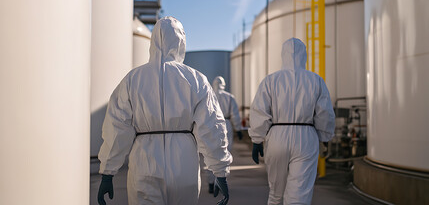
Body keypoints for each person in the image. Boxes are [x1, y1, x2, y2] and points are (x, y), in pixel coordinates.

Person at [97, 17, 232, 205]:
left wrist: (107, 171)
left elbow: (117, 127)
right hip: (184, 168)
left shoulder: (132, 80)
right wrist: (220, 171)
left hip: (145, 166)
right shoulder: (196, 80)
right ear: (181, 42)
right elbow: (212, 128)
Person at [249, 38, 335, 205]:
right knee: (299, 195)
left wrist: (257, 139)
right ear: (305, 55)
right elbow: (325, 113)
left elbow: (259, 111)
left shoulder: (270, 81)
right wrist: (324, 137)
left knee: (275, 193)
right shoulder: (316, 80)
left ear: (283, 55)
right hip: (306, 137)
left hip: (277, 136)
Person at [205, 76, 242, 193]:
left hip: (211, 125)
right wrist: (238, 129)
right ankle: (221, 181)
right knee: (225, 154)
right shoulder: (229, 97)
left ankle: (211, 183)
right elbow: (235, 114)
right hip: (226, 124)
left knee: (210, 153)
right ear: (224, 84)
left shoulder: (208, 95)